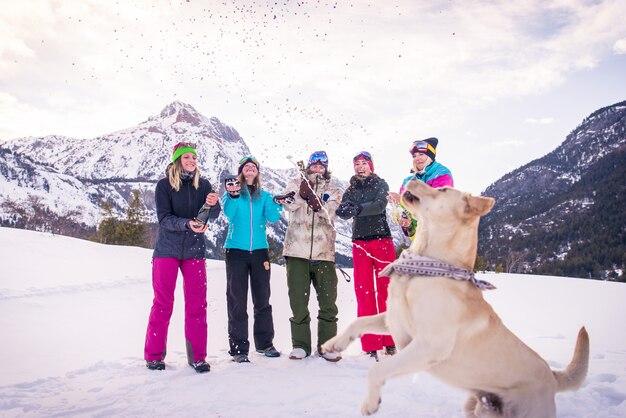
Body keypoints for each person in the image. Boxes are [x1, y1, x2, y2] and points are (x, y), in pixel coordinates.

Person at [144, 142, 220, 373]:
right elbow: (164, 218)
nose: (191, 161)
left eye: (194, 158)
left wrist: (212, 205)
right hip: (167, 251)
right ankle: (154, 356)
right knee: (163, 303)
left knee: (198, 305)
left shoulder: (204, 184)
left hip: (194, 251)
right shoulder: (164, 185)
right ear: (177, 160)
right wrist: (187, 224)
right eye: (186, 157)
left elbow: (212, 215)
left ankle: (198, 357)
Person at [280, 151, 343, 362]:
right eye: (314, 164)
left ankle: (327, 346)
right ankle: (300, 345)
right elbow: (288, 204)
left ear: (326, 167)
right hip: (296, 250)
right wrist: (301, 194)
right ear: (308, 165)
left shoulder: (333, 189)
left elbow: (330, 214)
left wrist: (314, 201)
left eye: (322, 164)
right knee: (298, 301)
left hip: (324, 252)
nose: (318, 167)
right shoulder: (295, 182)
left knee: (328, 303)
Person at [222, 156, 283, 363]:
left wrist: (278, 204)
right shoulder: (232, 192)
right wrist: (233, 196)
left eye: (253, 167)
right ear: (241, 171)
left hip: (259, 252)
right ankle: (239, 349)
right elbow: (228, 214)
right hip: (236, 252)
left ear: (257, 172)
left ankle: (265, 344)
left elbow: (273, 218)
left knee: (262, 299)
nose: (250, 168)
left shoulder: (264, 195)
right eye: (246, 166)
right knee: (237, 300)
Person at [335, 151, 396, 361]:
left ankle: (390, 340)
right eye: (357, 164)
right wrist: (343, 210)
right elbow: (342, 210)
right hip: (360, 243)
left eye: (364, 163)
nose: (360, 167)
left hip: (382, 241)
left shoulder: (381, 184)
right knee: (364, 292)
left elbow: (380, 205)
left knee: (386, 290)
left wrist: (357, 208)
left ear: (371, 166)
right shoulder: (350, 189)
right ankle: (370, 343)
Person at [388, 137, 454, 238]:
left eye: (421, 154)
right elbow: (410, 230)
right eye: (414, 156)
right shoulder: (407, 182)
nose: (417, 158)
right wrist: (404, 219)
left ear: (430, 156)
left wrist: (402, 200)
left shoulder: (442, 174)